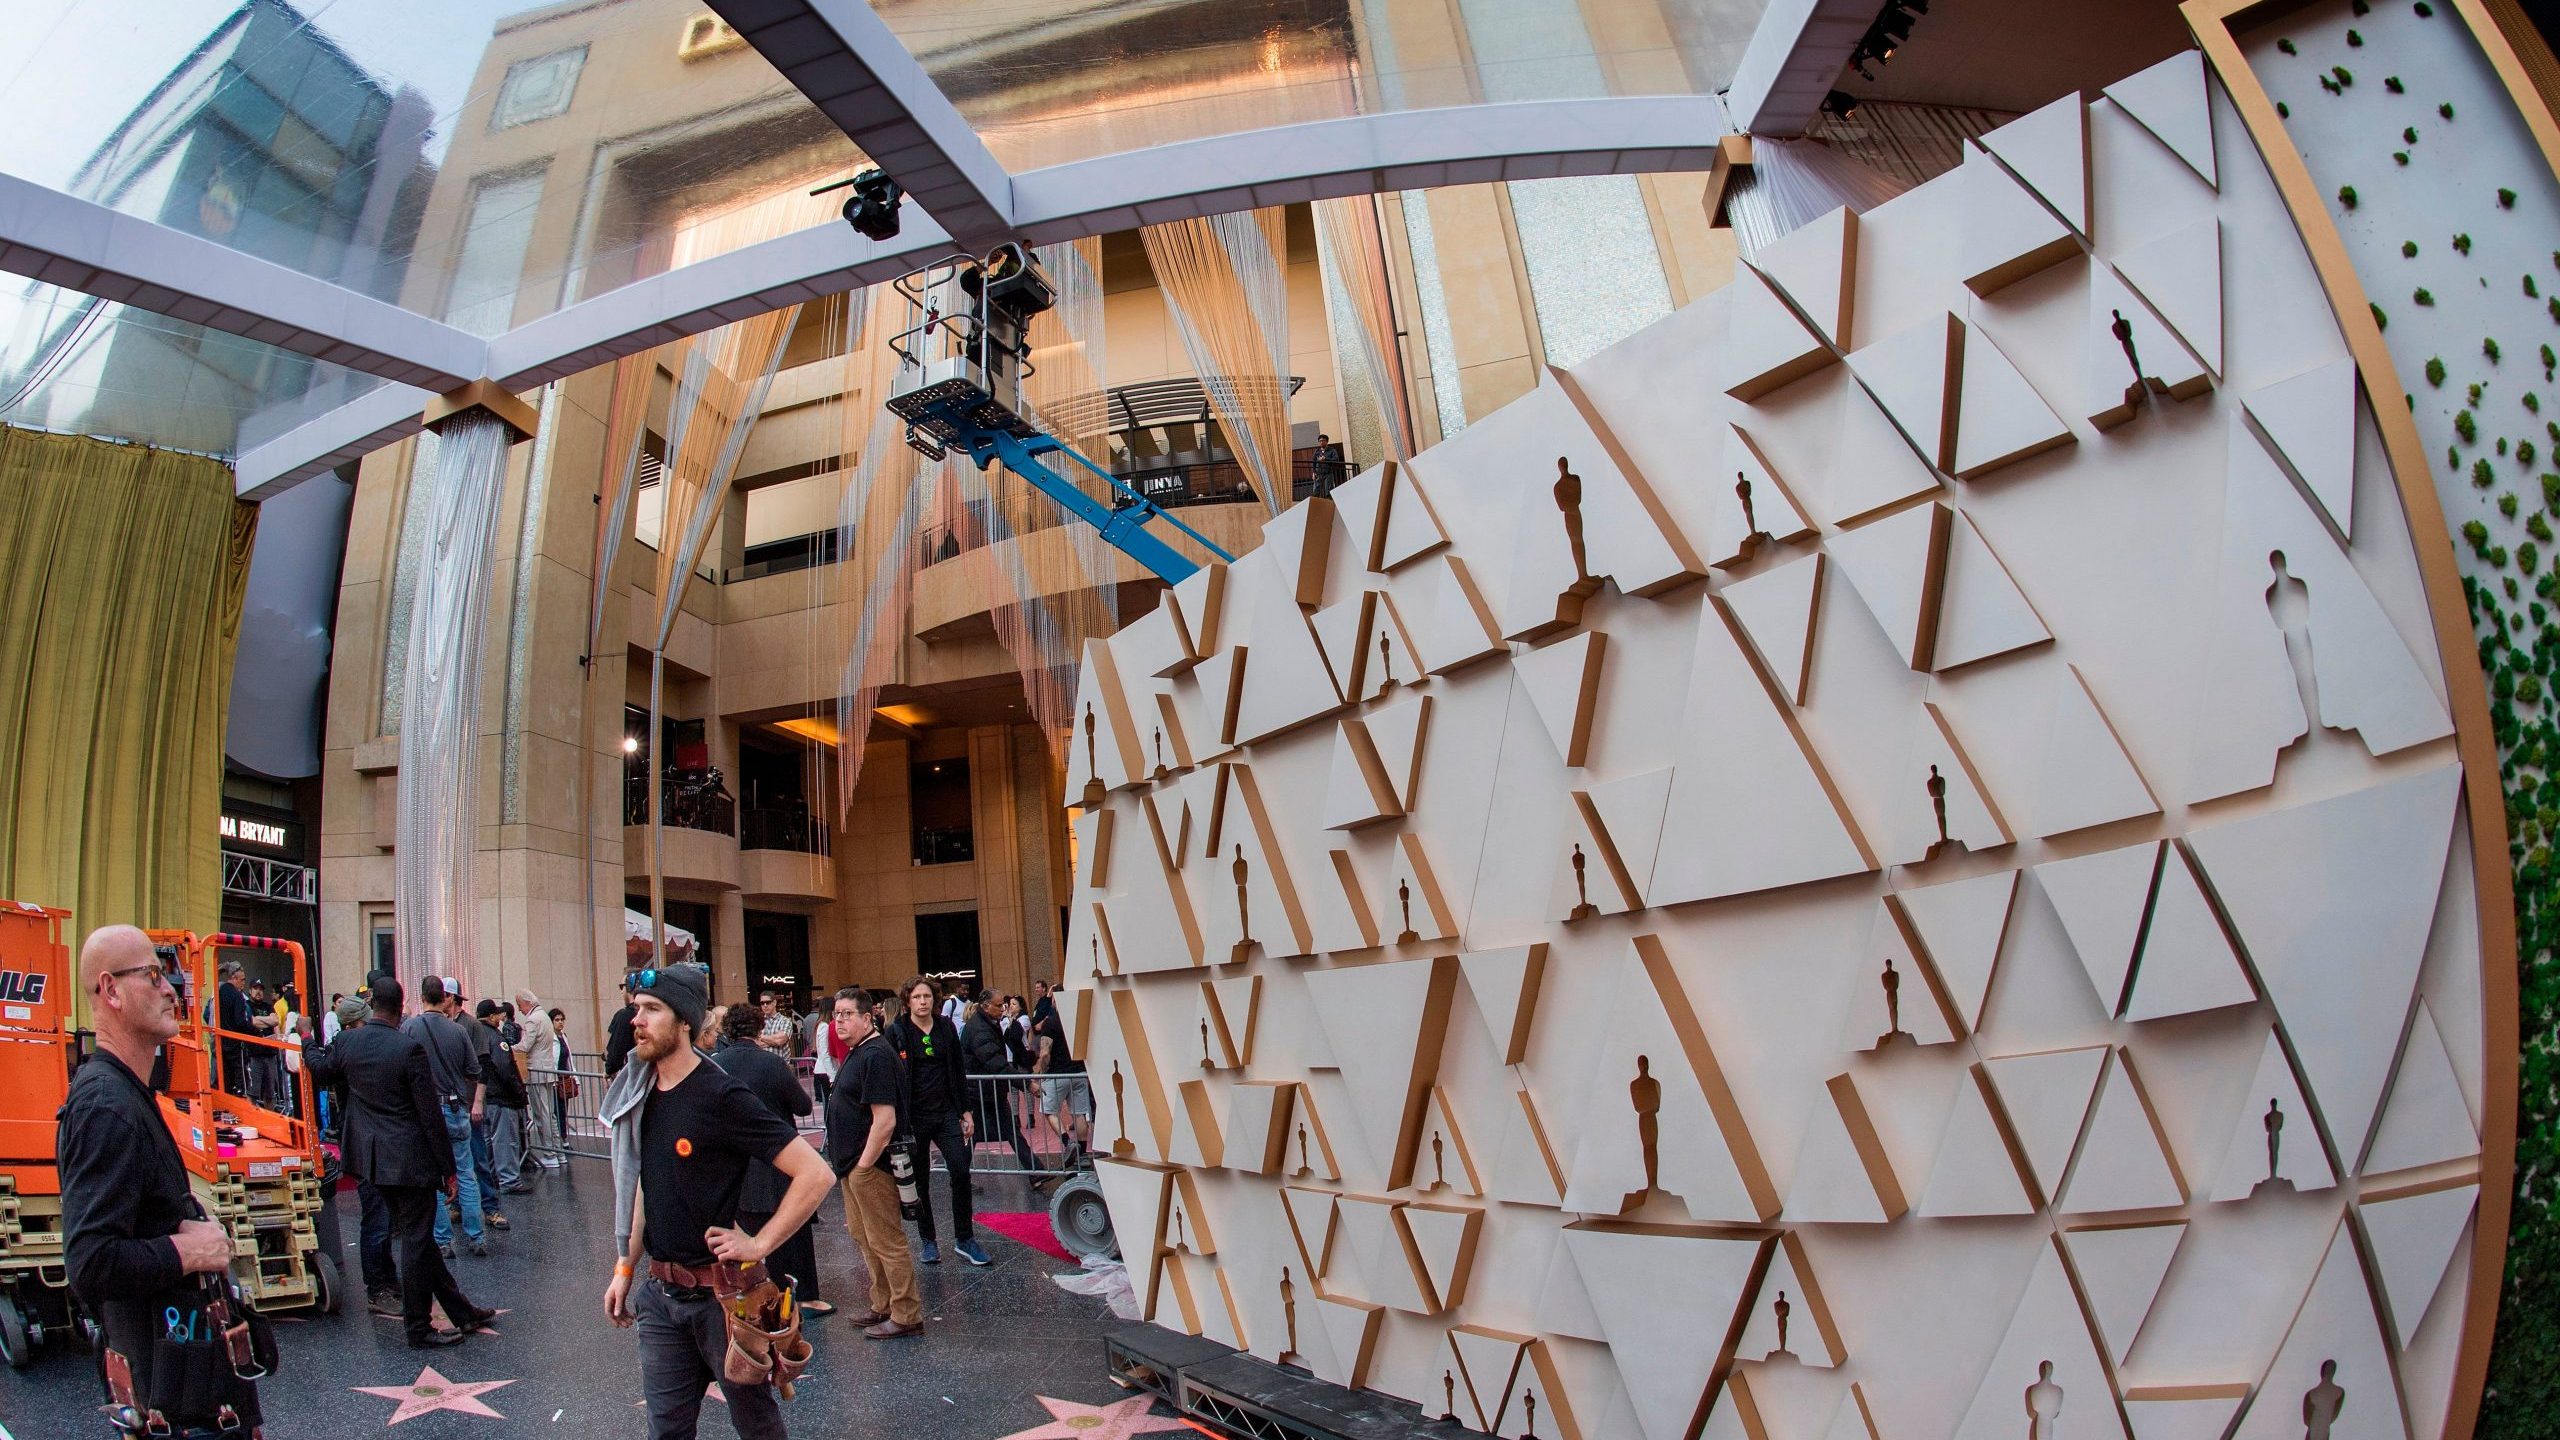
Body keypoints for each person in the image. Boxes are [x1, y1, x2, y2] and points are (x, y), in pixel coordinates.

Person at [598, 965, 833, 1440]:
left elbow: (816, 1173)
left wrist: (760, 1243)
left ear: (684, 1021)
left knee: (757, 1426)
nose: (636, 1021)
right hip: (661, 1299)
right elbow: (648, 1185)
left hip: (724, 1301)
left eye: (651, 1010)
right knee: (666, 1432)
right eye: (636, 1009)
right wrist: (626, 1266)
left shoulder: (721, 1093)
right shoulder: (641, 1093)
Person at [60, 926, 264, 1436]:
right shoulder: (105, 1106)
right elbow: (90, 1262)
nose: (172, 989)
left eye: (168, 974)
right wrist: (188, 1251)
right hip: (172, 1406)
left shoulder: (127, 1093)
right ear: (110, 991)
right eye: (153, 975)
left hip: (192, 1390)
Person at [304, 976, 492, 1349]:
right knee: (417, 1241)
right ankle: (418, 1328)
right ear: (401, 1005)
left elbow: (320, 1069)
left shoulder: (348, 1041)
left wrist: (307, 1039)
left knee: (416, 1234)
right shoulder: (408, 1049)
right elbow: (428, 1116)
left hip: (370, 1160)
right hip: (409, 1161)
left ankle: (462, 1312)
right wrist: (447, 1169)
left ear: (372, 1003)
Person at [709, 1004, 830, 1319]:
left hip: (732, 1166)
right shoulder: (771, 1064)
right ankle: (803, 1297)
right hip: (777, 1161)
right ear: (758, 1029)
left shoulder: (714, 1065)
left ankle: (750, 1296)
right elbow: (803, 1106)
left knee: (743, 1234)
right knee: (794, 1230)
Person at [823, 986, 923, 1338]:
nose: (840, 1021)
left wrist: (864, 1166)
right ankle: (883, 1304)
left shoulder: (876, 1055)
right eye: (836, 1015)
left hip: (871, 1167)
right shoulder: (858, 1052)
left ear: (868, 1018)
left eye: (848, 1014)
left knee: (886, 1240)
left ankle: (906, 1313)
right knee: (867, 1238)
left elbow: (885, 1121)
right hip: (853, 1167)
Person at [889, 977, 989, 1265]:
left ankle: (965, 1238)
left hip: (945, 1112)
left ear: (935, 1000)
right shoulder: (897, 1031)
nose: (923, 1001)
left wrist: (965, 1111)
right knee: (920, 1181)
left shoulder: (946, 1028)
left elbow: (957, 1071)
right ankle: (928, 1240)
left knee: (960, 1170)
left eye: (927, 996)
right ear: (908, 1001)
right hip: (914, 1117)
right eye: (917, 997)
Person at [402, 976, 488, 1257]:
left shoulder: (410, 1028)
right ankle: (476, 1237)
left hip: (426, 1111)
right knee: (465, 1172)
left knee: (434, 1175)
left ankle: (443, 1240)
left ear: (422, 996)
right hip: (455, 1108)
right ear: (445, 998)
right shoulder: (458, 1031)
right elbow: (474, 1070)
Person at [963, 991, 1038, 1172]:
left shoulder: (987, 1024)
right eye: (998, 1005)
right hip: (980, 1090)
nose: (1002, 1009)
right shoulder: (979, 1028)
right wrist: (1026, 1083)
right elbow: (995, 1062)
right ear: (985, 1005)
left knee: (1010, 1131)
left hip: (987, 1089)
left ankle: (1035, 1170)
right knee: (975, 1135)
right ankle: (959, 1175)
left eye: (1003, 1005)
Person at [475, 1000, 533, 1199]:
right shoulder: (495, 1037)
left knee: (489, 1141)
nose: (500, 1018)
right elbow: (504, 1068)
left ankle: (493, 1177)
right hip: (501, 1097)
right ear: (491, 1017)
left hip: (485, 1097)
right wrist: (519, 1093)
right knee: (505, 1141)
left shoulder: (476, 1034)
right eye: (497, 1015)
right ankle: (509, 1180)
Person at [1031, 988, 1092, 1164]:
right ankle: (1083, 1153)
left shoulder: (1051, 1022)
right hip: (1079, 1071)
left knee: (1049, 1110)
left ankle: (1068, 1142)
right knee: (1079, 1113)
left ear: (1056, 1000)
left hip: (1057, 1073)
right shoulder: (1077, 1020)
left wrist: (1041, 1072)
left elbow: (1044, 1053)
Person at [513, 989, 563, 1170]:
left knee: (542, 1114)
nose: (519, 1009)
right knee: (550, 1114)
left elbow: (525, 1046)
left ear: (527, 1003)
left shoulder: (533, 1019)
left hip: (537, 1072)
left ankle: (550, 1153)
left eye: (520, 1005)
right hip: (547, 1070)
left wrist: (508, 1048)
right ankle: (558, 1151)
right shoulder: (543, 1016)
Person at [547, 1007, 574, 1149]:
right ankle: (558, 1139)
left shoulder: (564, 1036)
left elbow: (569, 1058)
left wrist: (575, 1076)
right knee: (556, 1111)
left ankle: (563, 1138)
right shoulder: (550, 1038)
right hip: (555, 1079)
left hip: (565, 1077)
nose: (560, 1022)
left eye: (562, 1019)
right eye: (557, 1020)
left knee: (563, 1110)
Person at [804, 1001, 839, 1104]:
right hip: (826, 1070)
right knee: (830, 1103)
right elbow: (824, 1052)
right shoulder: (824, 1026)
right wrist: (832, 1075)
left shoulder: (823, 1025)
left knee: (829, 1103)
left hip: (825, 1069)